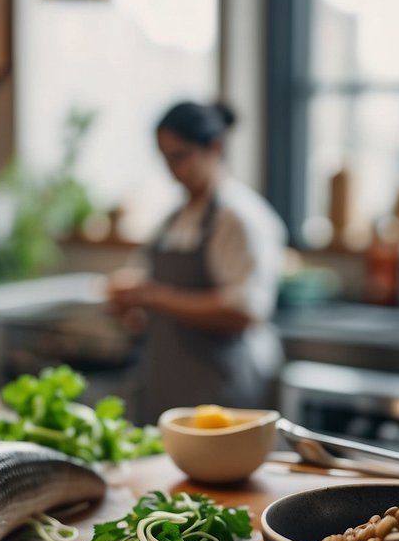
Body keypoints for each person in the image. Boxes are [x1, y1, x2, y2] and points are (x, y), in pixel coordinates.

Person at [107, 100, 287, 424]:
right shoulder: (172, 219)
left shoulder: (238, 218)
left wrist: (154, 297)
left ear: (214, 148)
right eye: (165, 159)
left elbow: (244, 309)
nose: (173, 171)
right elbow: (153, 289)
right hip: (170, 387)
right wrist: (133, 305)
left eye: (180, 156)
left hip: (222, 390)